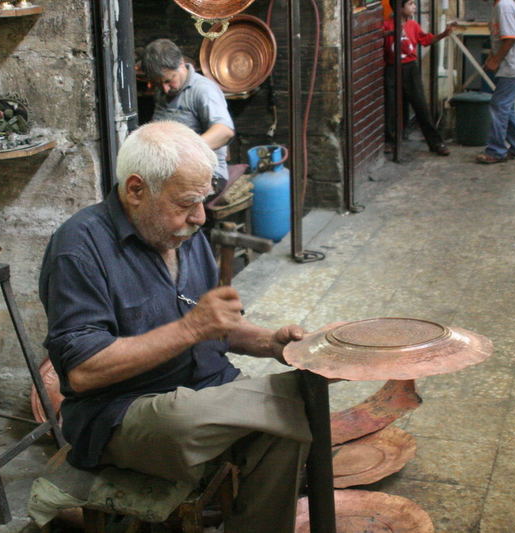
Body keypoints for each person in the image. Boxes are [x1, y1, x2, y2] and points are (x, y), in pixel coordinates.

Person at [38, 120, 312, 533]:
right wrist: (190, 329)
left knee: (285, 434)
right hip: (126, 414)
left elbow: (214, 325)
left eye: (202, 201)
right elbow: (82, 371)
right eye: (186, 203)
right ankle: (296, 396)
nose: (200, 217)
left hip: (209, 394)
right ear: (136, 190)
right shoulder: (79, 248)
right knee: (192, 417)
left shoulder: (184, 232)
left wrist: (270, 343)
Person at [142, 38, 235, 195]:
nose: (165, 89)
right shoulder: (163, 91)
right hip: (170, 170)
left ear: (180, 64)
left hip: (207, 175)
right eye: (159, 84)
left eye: (168, 80)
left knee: (163, 200)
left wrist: (184, 151)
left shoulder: (203, 90)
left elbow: (224, 131)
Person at [383, 0, 454, 156]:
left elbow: (426, 40)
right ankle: (390, 140)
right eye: (410, 4)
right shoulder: (387, 24)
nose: (414, 7)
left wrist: (443, 34)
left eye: (414, 4)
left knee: (420, 105)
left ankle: (436, 143)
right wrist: (390, 33)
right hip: (391, 69)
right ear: (399, 7)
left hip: (410, 68)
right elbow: (379, 40)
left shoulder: (413, 25)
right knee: (390, 105)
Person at [475, 0, 515, 164]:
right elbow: (501, 38)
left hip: (512, 65)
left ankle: (496, 151)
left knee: (499, 106)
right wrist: (493, 57)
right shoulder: (499, 6)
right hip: (511, 64)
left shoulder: (504, 6)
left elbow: (510, 38)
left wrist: (496, 59)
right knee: (505, 107)